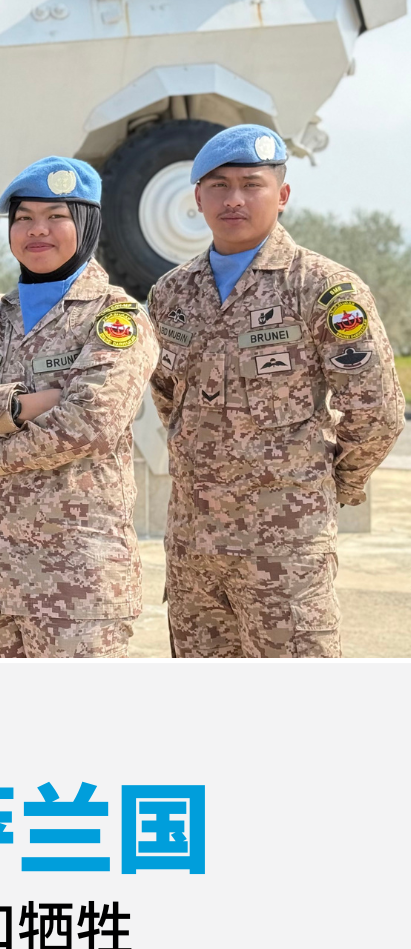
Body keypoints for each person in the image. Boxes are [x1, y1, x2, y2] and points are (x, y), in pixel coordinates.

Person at [148, 124, 404, 658]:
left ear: (282, 194)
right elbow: (169, 396)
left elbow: (376, 410)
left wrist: (329, 486)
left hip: (285, 551)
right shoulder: (171, 294)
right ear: (197, 198)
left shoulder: (322, 288)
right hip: (195, 551)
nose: (234, 199)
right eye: (218, 186)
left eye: (251, 184)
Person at [0, 157, 158, 658]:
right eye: (24, 218)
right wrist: (18, 405)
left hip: (78, 582)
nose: (37, 230)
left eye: (56, 217)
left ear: (87, 224)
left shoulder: (116, 318)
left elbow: (90, 422)